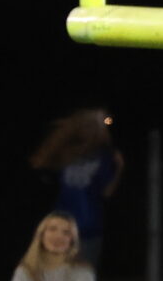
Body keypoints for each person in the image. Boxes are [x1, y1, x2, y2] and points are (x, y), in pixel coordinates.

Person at [31, 107, 119, 270]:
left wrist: (119, 168)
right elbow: (41, 163)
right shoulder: (67, 152)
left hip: (88, 228)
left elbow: (107, 192)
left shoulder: (103, 156)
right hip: (62, 226)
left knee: (83, 276)